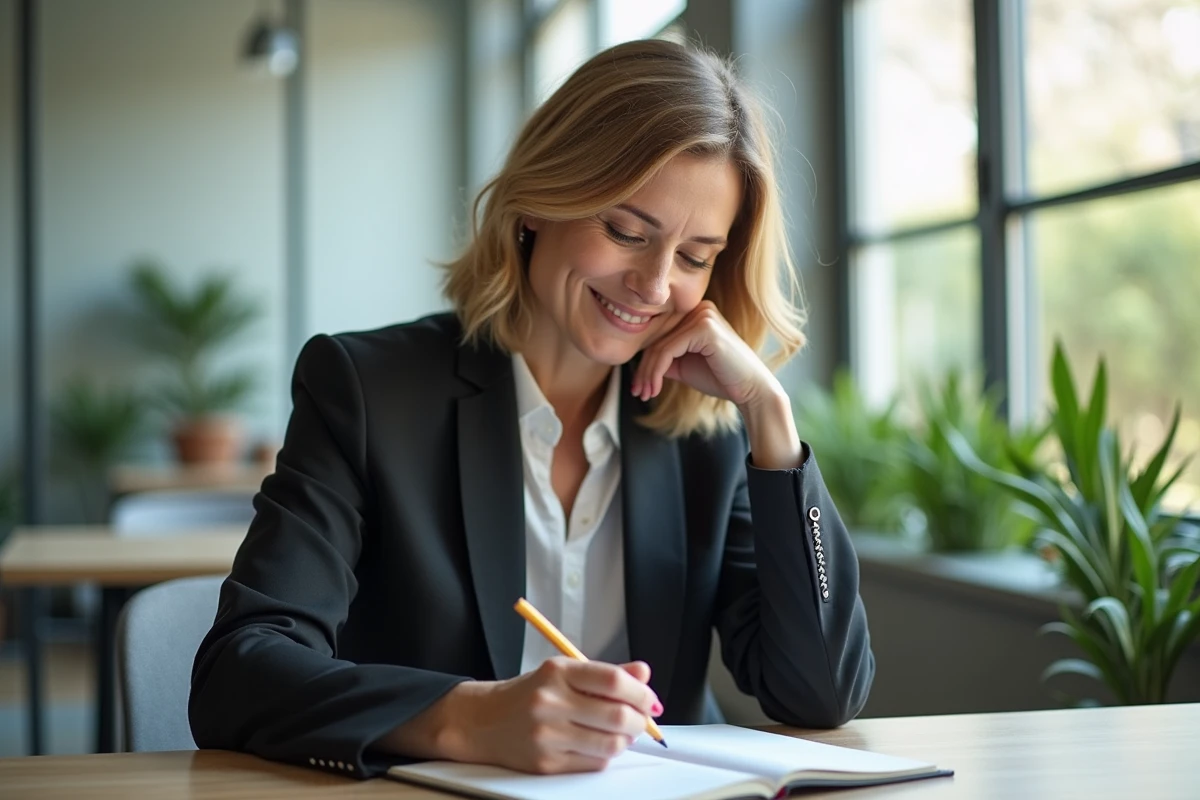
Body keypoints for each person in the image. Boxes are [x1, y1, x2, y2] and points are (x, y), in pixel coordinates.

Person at [189, 38, 873, 779]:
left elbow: (820, 694)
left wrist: (771, 418)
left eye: (694, 256)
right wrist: (467, 718)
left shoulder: (704, 435)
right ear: (540, 203)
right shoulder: (366, 390)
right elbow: (239, 672)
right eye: (626, 231)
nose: (652, 284)